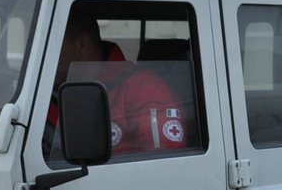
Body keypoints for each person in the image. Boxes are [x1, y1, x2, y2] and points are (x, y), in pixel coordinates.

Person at [51, 11, 188, 156]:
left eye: (48, 44)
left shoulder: (144, 90)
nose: (39, 58)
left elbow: (164, 165)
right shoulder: (46, 94)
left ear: (82, 45)